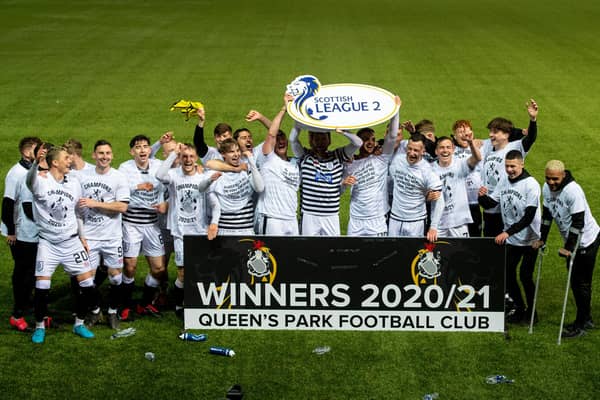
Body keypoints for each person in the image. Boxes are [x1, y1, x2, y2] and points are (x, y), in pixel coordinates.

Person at [26, 145, 99, 343]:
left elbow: (77, 213)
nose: (70, 160)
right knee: (42, 285)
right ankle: (40, 327)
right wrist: (34, 164)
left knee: (87, 284)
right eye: (66, 158)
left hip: (71, 241)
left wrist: (82, 237)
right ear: (55, 162)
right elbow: (29, 182)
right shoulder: (41, 181)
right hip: (48, 244)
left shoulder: (74, 183)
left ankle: (79, 323)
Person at [533, 160, 600, 338]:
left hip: (586, 240)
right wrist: (542, 239)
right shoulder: (546, 189)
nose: (551, 182)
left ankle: (582, 323)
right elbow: (547, 216)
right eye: (547, 178)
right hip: (573, 241)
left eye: (555, 179)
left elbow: (578, 223)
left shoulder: (573, 191)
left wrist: (569, 248)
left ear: (563, 175)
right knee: (577, 283)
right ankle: (586, 318)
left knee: (580, 283)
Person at [156, 143, 220, 317]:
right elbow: (159, 175)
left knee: (201, 270)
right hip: (181, 233)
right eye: (184, 156)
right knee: (183, 273)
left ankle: (199, 302)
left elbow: (215, 204)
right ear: (181, 158)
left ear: (197, 158)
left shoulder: (203, 177)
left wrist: (214, 223)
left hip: (200, 232)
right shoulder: (174, 175)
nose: (188, 160)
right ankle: (179, 304)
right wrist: (173, 154)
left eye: (192, 156)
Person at [479, 150, 541, 323]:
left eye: (513, 166)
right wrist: (481, 197)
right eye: (507, 166)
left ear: (522, 165)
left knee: (525, 276)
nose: (509, 170)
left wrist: (507, 232)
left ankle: (532, 312)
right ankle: (520, 308)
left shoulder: (531, 184)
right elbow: (492, 203)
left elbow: (529, 216)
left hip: (531, 239)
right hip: (513, 239)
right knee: (507, 273)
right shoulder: (504, 180)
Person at [77, 140, 129, 329]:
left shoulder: (119, 177)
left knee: (116, 276)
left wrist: (95, 204)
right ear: (94, 155)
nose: (104, 157)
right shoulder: (82, 177)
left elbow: (122, 206)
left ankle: (113, 312)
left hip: (112, 236)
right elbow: (77, 206)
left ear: (112, 156)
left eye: (108, 153)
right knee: (86, 279)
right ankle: (95, 310)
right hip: (89, 236)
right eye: (100, 153)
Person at [118, 135, 166, 319]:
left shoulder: (157, 165)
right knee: (130, 267)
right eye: (138, 147)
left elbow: (175, 173)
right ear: (132, 152)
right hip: (131, 222)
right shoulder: (125, 168)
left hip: (152, 223)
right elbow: (119, 187)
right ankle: (125, 304)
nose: (143, 150)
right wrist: (137, 186)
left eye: (145, 146)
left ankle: (144, 303)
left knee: (159, 269)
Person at [342, 96, 400, 236]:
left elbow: (392, 137)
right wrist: (343, 183)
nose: (370, 142)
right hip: (356, 220)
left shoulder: (381, 158)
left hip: (377, 220)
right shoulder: (349, 162)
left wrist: (396, 111)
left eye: (373, 140)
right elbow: (339, 190)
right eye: (365, 139)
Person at [289, 125, 362, 236]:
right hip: (310, 215)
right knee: (309, 249)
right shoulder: (305, 156)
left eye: (323, 138)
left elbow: (358, 143)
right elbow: (293, 139)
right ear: (311, 141)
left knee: (332, 250)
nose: (320, 142)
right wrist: (299, 123)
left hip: (331, 215)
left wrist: (344, 132)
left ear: (329, 140)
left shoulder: (338, 155)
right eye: (316, 139)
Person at [481, 99, 538, 237]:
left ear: (506, 134)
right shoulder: (488, 148)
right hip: (489, 206)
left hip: (505, 207)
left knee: (505, 245)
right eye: (490, 131)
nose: (490, 135)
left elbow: (530, 137)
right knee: (490, 243)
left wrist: (533, 119)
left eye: (495, 132)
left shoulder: (515, 147)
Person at [2, 136, 42, 331]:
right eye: (38, 149)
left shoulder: (33, 171)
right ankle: (17, 312)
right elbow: (8, 203)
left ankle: (27, 303)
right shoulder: (15, 173)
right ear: (27, 152)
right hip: (20, 232)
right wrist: (11, 231)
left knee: (33, 271)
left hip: (34, 231)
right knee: (23, 272)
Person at [256, 96, 300, 235]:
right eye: (278, 139)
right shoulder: (268, 158)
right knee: (271, 256)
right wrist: (284, 109)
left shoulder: (295, 163)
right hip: (272, 218)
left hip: (291, 218)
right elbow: (271, 134)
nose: (281, 142)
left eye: (283, 139)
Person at [388, 133, 444, 242]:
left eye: (416, 150)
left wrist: (433, 227)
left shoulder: (427, 171)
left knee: (413, 256)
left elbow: (440, 200)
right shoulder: (397, 161)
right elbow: (395, 181)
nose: (412, 153)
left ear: (423, 151)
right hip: (395, 219)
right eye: (410, 149)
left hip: (416, 222)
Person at [207, 138, 264, 235]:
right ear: (223, 154)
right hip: (224, 230)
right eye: (231, 152)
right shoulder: (217, 172)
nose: (236, 154)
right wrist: (235, 169)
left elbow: (260, 188)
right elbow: (209, 164)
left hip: (247, 230)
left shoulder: (246, 170)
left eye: (238, 151)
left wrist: (251, 161)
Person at [432, 134, 482, 237]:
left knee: (460, 252)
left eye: (448, 147)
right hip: (438, 224)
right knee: (438, 253)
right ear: (436, 151)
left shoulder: (460, 164)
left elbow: (477, 158)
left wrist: (471, 143)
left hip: (459, 222)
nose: (445, 150)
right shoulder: (430, 170)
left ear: (453, 150)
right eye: (441, 147)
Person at [451, 120, 485, 237]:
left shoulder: (482, 147)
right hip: (457, 204)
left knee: (475, 238)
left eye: (466, 131)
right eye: (460, 132)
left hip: (474, 203)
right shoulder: (450, 149)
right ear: (454, 136)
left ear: (472, 133)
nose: (464, 134)